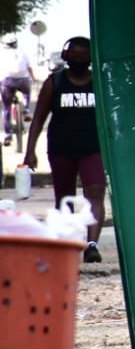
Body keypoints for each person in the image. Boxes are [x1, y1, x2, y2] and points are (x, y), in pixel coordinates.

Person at [22, 36, 107, 262]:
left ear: (91, 58)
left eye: (83, 56)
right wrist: (30, 151)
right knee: (64, 198)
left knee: (96, 192)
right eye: (75, 56)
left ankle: (91, 245)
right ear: (66, 57)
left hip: (93, 147)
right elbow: (39, 118)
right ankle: (68, 243)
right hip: (61, 149)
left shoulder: (99, 83)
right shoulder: (55, 83)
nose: (79, 60)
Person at [0, 35, 33, 140]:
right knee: (27, 92)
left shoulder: (2, 53)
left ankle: (8, 135)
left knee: (6, 108)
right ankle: (26, 110)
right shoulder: (23, 52)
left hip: (7, 82)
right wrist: (34, 78)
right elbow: (29, 67)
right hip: (23, 80)